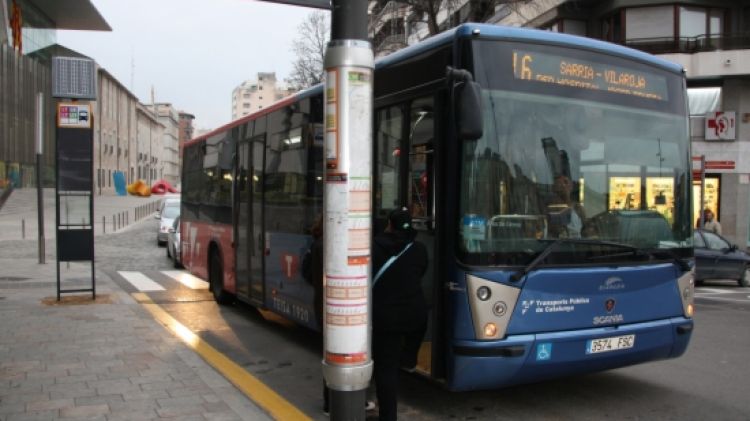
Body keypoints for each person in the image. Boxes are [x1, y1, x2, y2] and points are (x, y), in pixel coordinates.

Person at [371, 208, 429, 421]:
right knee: (415, 333)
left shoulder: (373, 247)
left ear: (389, 224)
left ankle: (388, 416)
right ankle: (409, 358)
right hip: (415, 314)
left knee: (386, 370)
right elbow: (421, 271)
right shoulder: (419, 248)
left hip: (385, 318)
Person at [546, 174, 585, 238]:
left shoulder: (578, 207)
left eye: (565, 182)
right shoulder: (551, 207)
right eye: (559, 183)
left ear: (571, 186)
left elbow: (586, 228)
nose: (563, 186)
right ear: (554, 188)